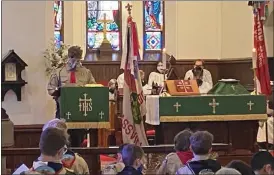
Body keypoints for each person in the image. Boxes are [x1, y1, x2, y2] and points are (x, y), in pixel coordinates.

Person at [47, 46, 96, 147]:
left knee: (79, 140)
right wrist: (59, 91)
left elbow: (93, 87)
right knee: (63, 139)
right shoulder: (59, 72)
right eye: (73, 57)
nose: (75, 61)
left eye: (78, 58)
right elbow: (50, 88)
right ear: (68, 57)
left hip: (80, 111)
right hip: (63, 111)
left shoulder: (86, 72)